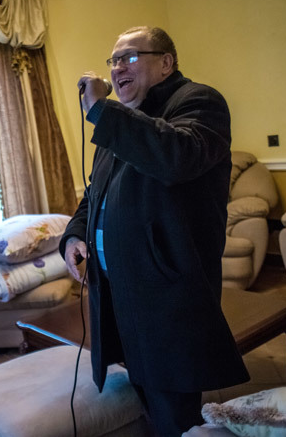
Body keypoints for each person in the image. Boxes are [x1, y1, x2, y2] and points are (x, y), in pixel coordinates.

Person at [59, 26, 250, 436]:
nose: (116, 69)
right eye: (113, 60)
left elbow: (177, 158)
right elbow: (95, 196)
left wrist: (104, 113)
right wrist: (74, 236)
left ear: (166, 63)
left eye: (129, 57)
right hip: (119, 290)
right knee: (145, 391)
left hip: (166, 293)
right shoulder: (121, 122)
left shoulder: (198, 101)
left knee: (175, 408)